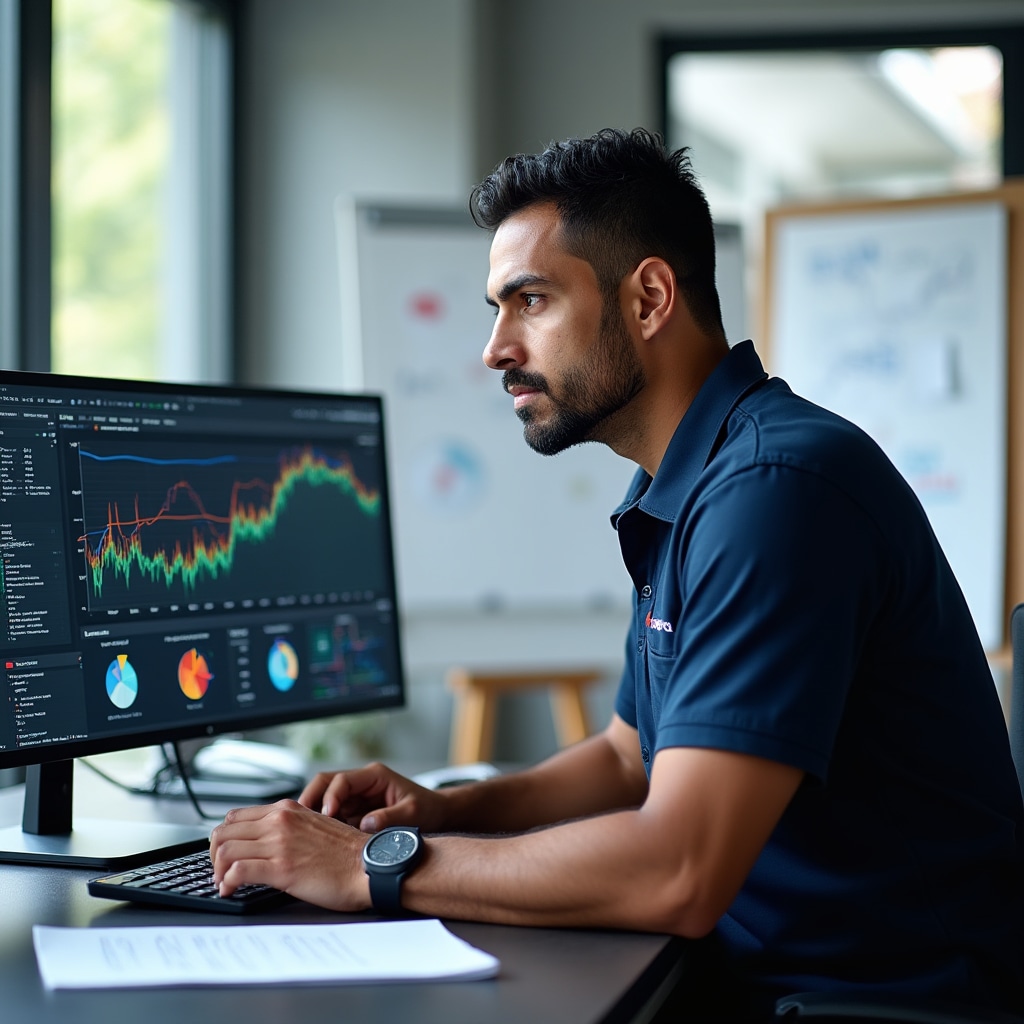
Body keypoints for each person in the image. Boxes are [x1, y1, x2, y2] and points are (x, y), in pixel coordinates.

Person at [211, 128, 1024, 1020]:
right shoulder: (691, 481)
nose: (495, 348)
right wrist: (445, 812)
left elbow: (679, 869)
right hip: (767, 979)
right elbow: (630, 757)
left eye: (530, 300)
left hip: (883, 1004)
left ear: (647, 298)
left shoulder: (775, 493)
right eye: (495, 306)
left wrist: (367, 869)